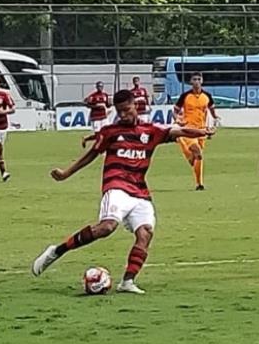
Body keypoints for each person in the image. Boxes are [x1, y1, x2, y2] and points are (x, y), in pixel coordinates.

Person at [31, 89, 215, 294]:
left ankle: (127, 282)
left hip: (140, 192)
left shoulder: (150, 131)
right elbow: (91, 155)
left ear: (135, 105)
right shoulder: (110, 132)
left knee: (145, 233)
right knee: (107, 227)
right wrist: (66, 173)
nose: (123, 115)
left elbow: (178, 131)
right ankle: (56, 251)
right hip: (116, 186)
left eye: (127, 110)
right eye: (119, 111)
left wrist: (202, 131)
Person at [173, 72, 221, 190]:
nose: (197, 82)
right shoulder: (185, 96)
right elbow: (175, 111)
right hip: (188, 129)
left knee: (195, 158)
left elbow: (212, 109)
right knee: (198, 152)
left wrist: (215, 117)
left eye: (199, 79)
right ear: (191, 81)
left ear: (202, 81)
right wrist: (177, 119)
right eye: (194, 79)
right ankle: (200, 184)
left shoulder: (207, 96)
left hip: (202, 130)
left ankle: (198, 181)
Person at [80, 81, 111, 148]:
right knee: (98, 135)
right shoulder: (93, 96)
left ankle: (103, 146)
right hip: (96, 117)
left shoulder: (105, 95)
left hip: (104, 117)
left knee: (107, 132)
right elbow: (86, 104)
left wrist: (109, 104)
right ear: (96, 87)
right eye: (99, 86)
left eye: (101, 86)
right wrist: (96, 107)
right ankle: (86, 139)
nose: (100, 88)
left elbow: (107, 105)